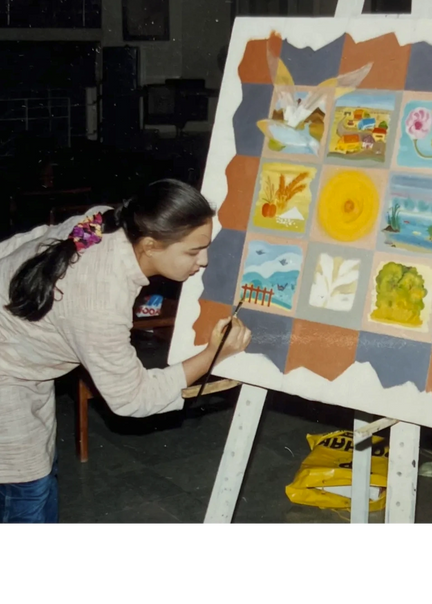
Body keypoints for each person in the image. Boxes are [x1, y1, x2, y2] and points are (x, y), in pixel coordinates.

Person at [0, 179, 251, 527]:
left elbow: (32, 240)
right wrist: (213, 355)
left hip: (20, 351)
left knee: (37, 471)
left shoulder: (108, 222)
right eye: (193, 252)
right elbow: (131, 398)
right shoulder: (99, 297)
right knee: (23, 486)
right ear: (149, 245)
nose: (204, 261)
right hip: (6, 370)